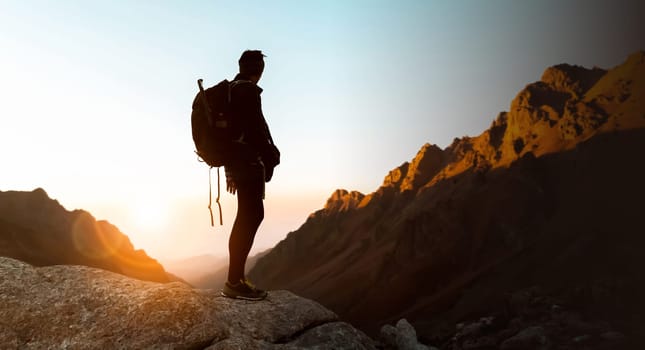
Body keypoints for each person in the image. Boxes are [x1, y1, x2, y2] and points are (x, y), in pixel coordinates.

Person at [220, 50, 280, 301]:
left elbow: (228, 134)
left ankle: (236, 279)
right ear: (259, 70)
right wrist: (273, 154)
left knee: (246, 216)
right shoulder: (248, 92)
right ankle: (234, 281)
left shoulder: (231, 91)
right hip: (248, 163)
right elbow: (255, 130)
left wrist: (229, 170)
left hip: (237, 163)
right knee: (251, 215)